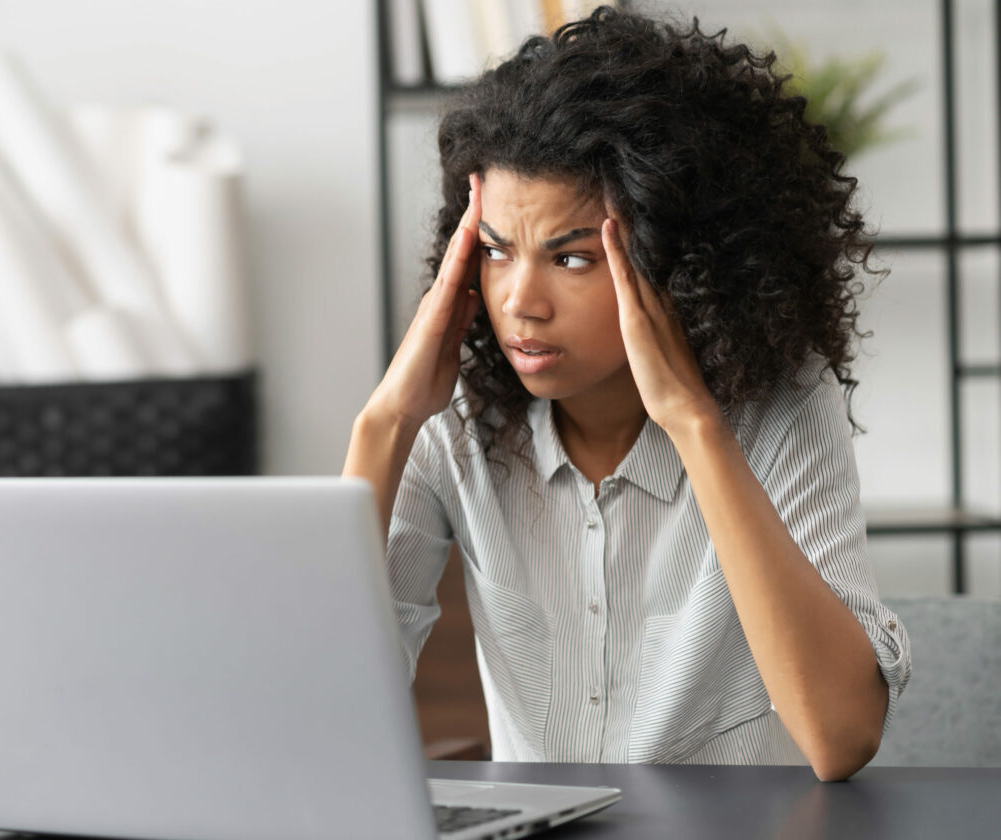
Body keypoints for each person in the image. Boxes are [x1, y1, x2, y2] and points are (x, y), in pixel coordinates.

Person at [343, 5, 910, 781]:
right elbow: (319, 708)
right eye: (498, 252)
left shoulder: (781, 408)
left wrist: (694, 425)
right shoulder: (454, 426)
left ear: (678, 259)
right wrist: (386, 421)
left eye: (572, 259)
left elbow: (841, 737)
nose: (520, 302)